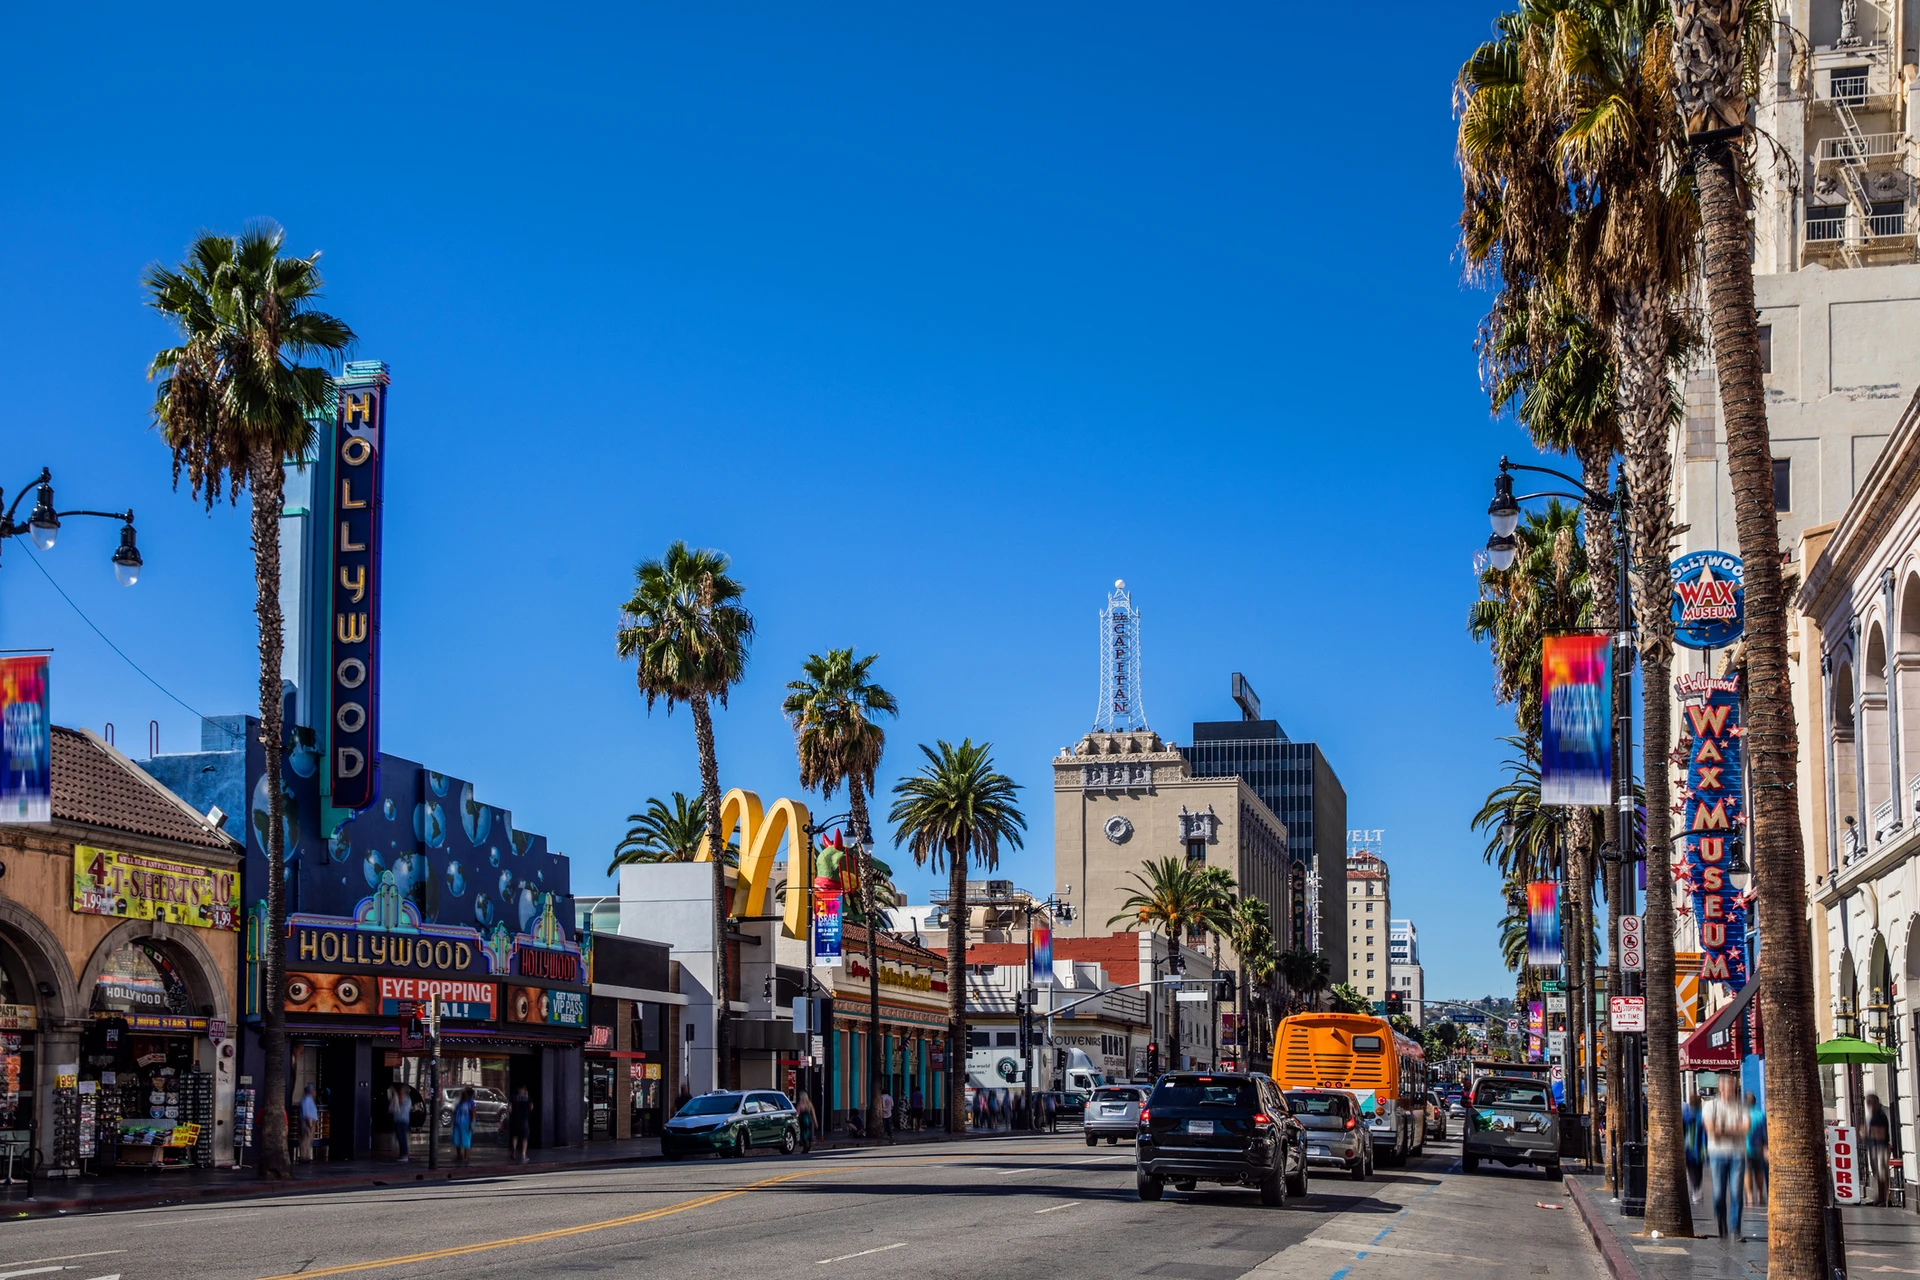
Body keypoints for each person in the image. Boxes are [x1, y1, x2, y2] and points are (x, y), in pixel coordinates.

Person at [1703, 1076, 1751, 1240]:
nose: (1732, 1088)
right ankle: (1721, 1221)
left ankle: (1735, 1228)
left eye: (1733, 1085)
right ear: (1720, 1087)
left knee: (1736, 1192)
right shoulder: (1710, 1106)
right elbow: (1711, 1129)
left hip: (1738, 1153)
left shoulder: (1741, 1107)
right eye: (1728, 1085)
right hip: (1717, 1153)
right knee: (1719, 1192)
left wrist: (1722, 1129)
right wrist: (1734, 1129)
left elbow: (1746, 1128)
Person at [1864, 1093, 1892, 1206]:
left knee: (1882, 1173)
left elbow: (1882, 1132)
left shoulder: (1881, 1113)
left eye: (1869, 1102)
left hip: (1881, 1146)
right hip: (1873, 1146)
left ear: (1875, 1102)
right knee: (1876, 1173)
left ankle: (1886, 1199)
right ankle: (1878, 1197)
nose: (1868, 1105)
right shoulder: (1872, 1114)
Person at [1744, 1092, 1768, 1204]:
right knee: (1759, 1170)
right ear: (1755, 1102)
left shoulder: (1742, 1115)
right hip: (1758, 1147)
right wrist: (1765, 1147)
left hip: (1745, 1147)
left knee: (1747, 1171)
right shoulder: (1761, 1115)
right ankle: (1760, 1194)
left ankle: (1750, 1197)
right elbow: (1765, 1134)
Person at [1682, 1093, 1704, 1204]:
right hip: (1700, 1146)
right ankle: (1697, 1188)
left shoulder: (1686, 1114)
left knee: (1691, 1170)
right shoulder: (1702, 1115)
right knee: (1699, 1169)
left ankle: (1696, 1189)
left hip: (1688, 1146)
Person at [388, 1082, 413, 1163]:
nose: (400, 1091)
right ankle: (402, 1154)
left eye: (401, 1090)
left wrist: (394, 1093)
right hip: (401, 1120)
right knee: (400, 1137)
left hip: (402, 1120)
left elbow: (400, 1102)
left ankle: (404, 1155)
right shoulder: (407, 1098)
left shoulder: (405, 1098)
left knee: (402, 1138)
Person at [508, 1084, 533, 1164]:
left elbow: (510, 1109)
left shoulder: (514, 1097)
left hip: (515, 1119)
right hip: (524, 1120)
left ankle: (514, 1150)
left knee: (515, 1136)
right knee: (524, 1138)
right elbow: (531, 1108)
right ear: (524, 1090)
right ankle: (523, 1155)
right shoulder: (527, 1098)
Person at [451, 1088, 475, 1166]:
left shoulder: (471, 1102)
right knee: (457, 1139)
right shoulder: (460, 1101)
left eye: (465, 1093)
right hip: (458, 1122)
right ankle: (459, 1155)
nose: (463, 1094)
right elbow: (454, 1110)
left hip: (466, 1123)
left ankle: (466, 1157)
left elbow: (473, 1113)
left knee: (466, 1139)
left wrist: (471, 1123)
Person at [298, 1086, 320, 1163]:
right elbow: (306, 1112)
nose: (315, 1092)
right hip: (307, 1122)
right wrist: (309, 1123)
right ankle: (303, 1157)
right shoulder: (306, 1100)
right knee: (305, 1139)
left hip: (311, 1121)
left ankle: (306, 1156)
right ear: (311, 1091)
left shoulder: (310, 1100)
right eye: (314, 1090)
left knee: (309, 1139)